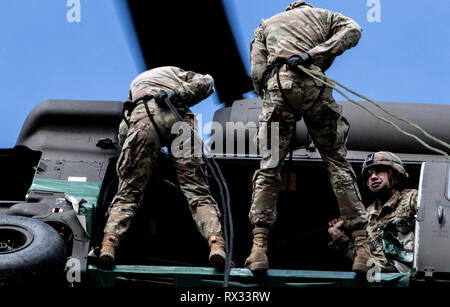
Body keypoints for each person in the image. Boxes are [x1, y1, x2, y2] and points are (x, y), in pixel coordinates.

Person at [246, 0, 371, 273]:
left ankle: (258, 249)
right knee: (337, 163)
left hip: (278, 85)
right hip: (315, 85)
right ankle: (362, 250)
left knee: (269, 167)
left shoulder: (266, 24)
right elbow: (354, 30)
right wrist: (314, 53)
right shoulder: (323, 16)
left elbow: (256, 73)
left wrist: (271, 97)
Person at [98, 66, 227, 269]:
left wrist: (133, 154)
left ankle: (109, 245)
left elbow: (125, 127)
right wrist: (178, 94)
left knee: (128, 194)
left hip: (143, 118)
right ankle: (216, 245)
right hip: (179, 119)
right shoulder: (177, 73)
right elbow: (207, 82)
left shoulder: (135, 87)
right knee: (198, 194)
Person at [328, 152, 418, 273]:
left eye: (379, 171)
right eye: (369, 174)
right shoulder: (365, 215)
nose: (373, 177)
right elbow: (365, 262)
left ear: (395, 176)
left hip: (408, 277)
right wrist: (339, 238)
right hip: (379, 280)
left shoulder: (412, 198)